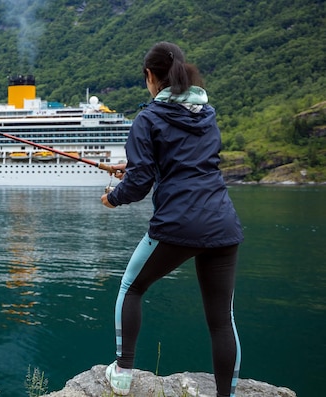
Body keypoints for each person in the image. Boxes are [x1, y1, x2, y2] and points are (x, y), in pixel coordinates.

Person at [100, 41, 243, 397]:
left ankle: (122, 373)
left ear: (150, 76)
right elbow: (186, 161)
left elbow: (138, 185)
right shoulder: (206, 114)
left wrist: (112, 199)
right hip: (222, 223)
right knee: (222, 319)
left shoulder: (147, 118)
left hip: (178, 223)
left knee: (131, 287)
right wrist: (134, 166)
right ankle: (228, 394)